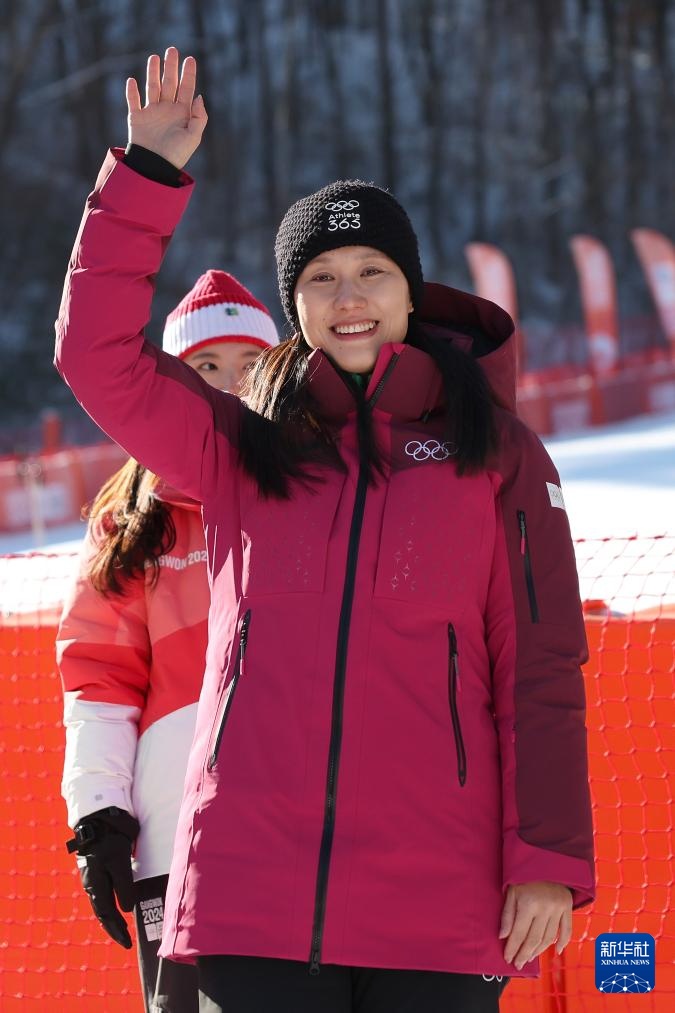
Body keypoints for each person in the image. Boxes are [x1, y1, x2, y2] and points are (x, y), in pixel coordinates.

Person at [55, 47, 595, 1013]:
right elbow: (96, 357)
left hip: (436, 894)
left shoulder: (496, 455)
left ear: (409, 292)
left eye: (371, 273)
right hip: (250, 892)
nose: (349, 298)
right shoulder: (241, 446)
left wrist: (545, 858)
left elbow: (539, 667)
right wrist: (145, 177)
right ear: (293, 309)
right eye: (320, 278)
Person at [57, 269, 279, 1013]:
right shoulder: (132, 523)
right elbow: (98, 679)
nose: (227, 385)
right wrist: (99, 814)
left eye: (248, 365)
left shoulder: (317, 490)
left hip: (305, 836)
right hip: (178, 842)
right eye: (204, 368)